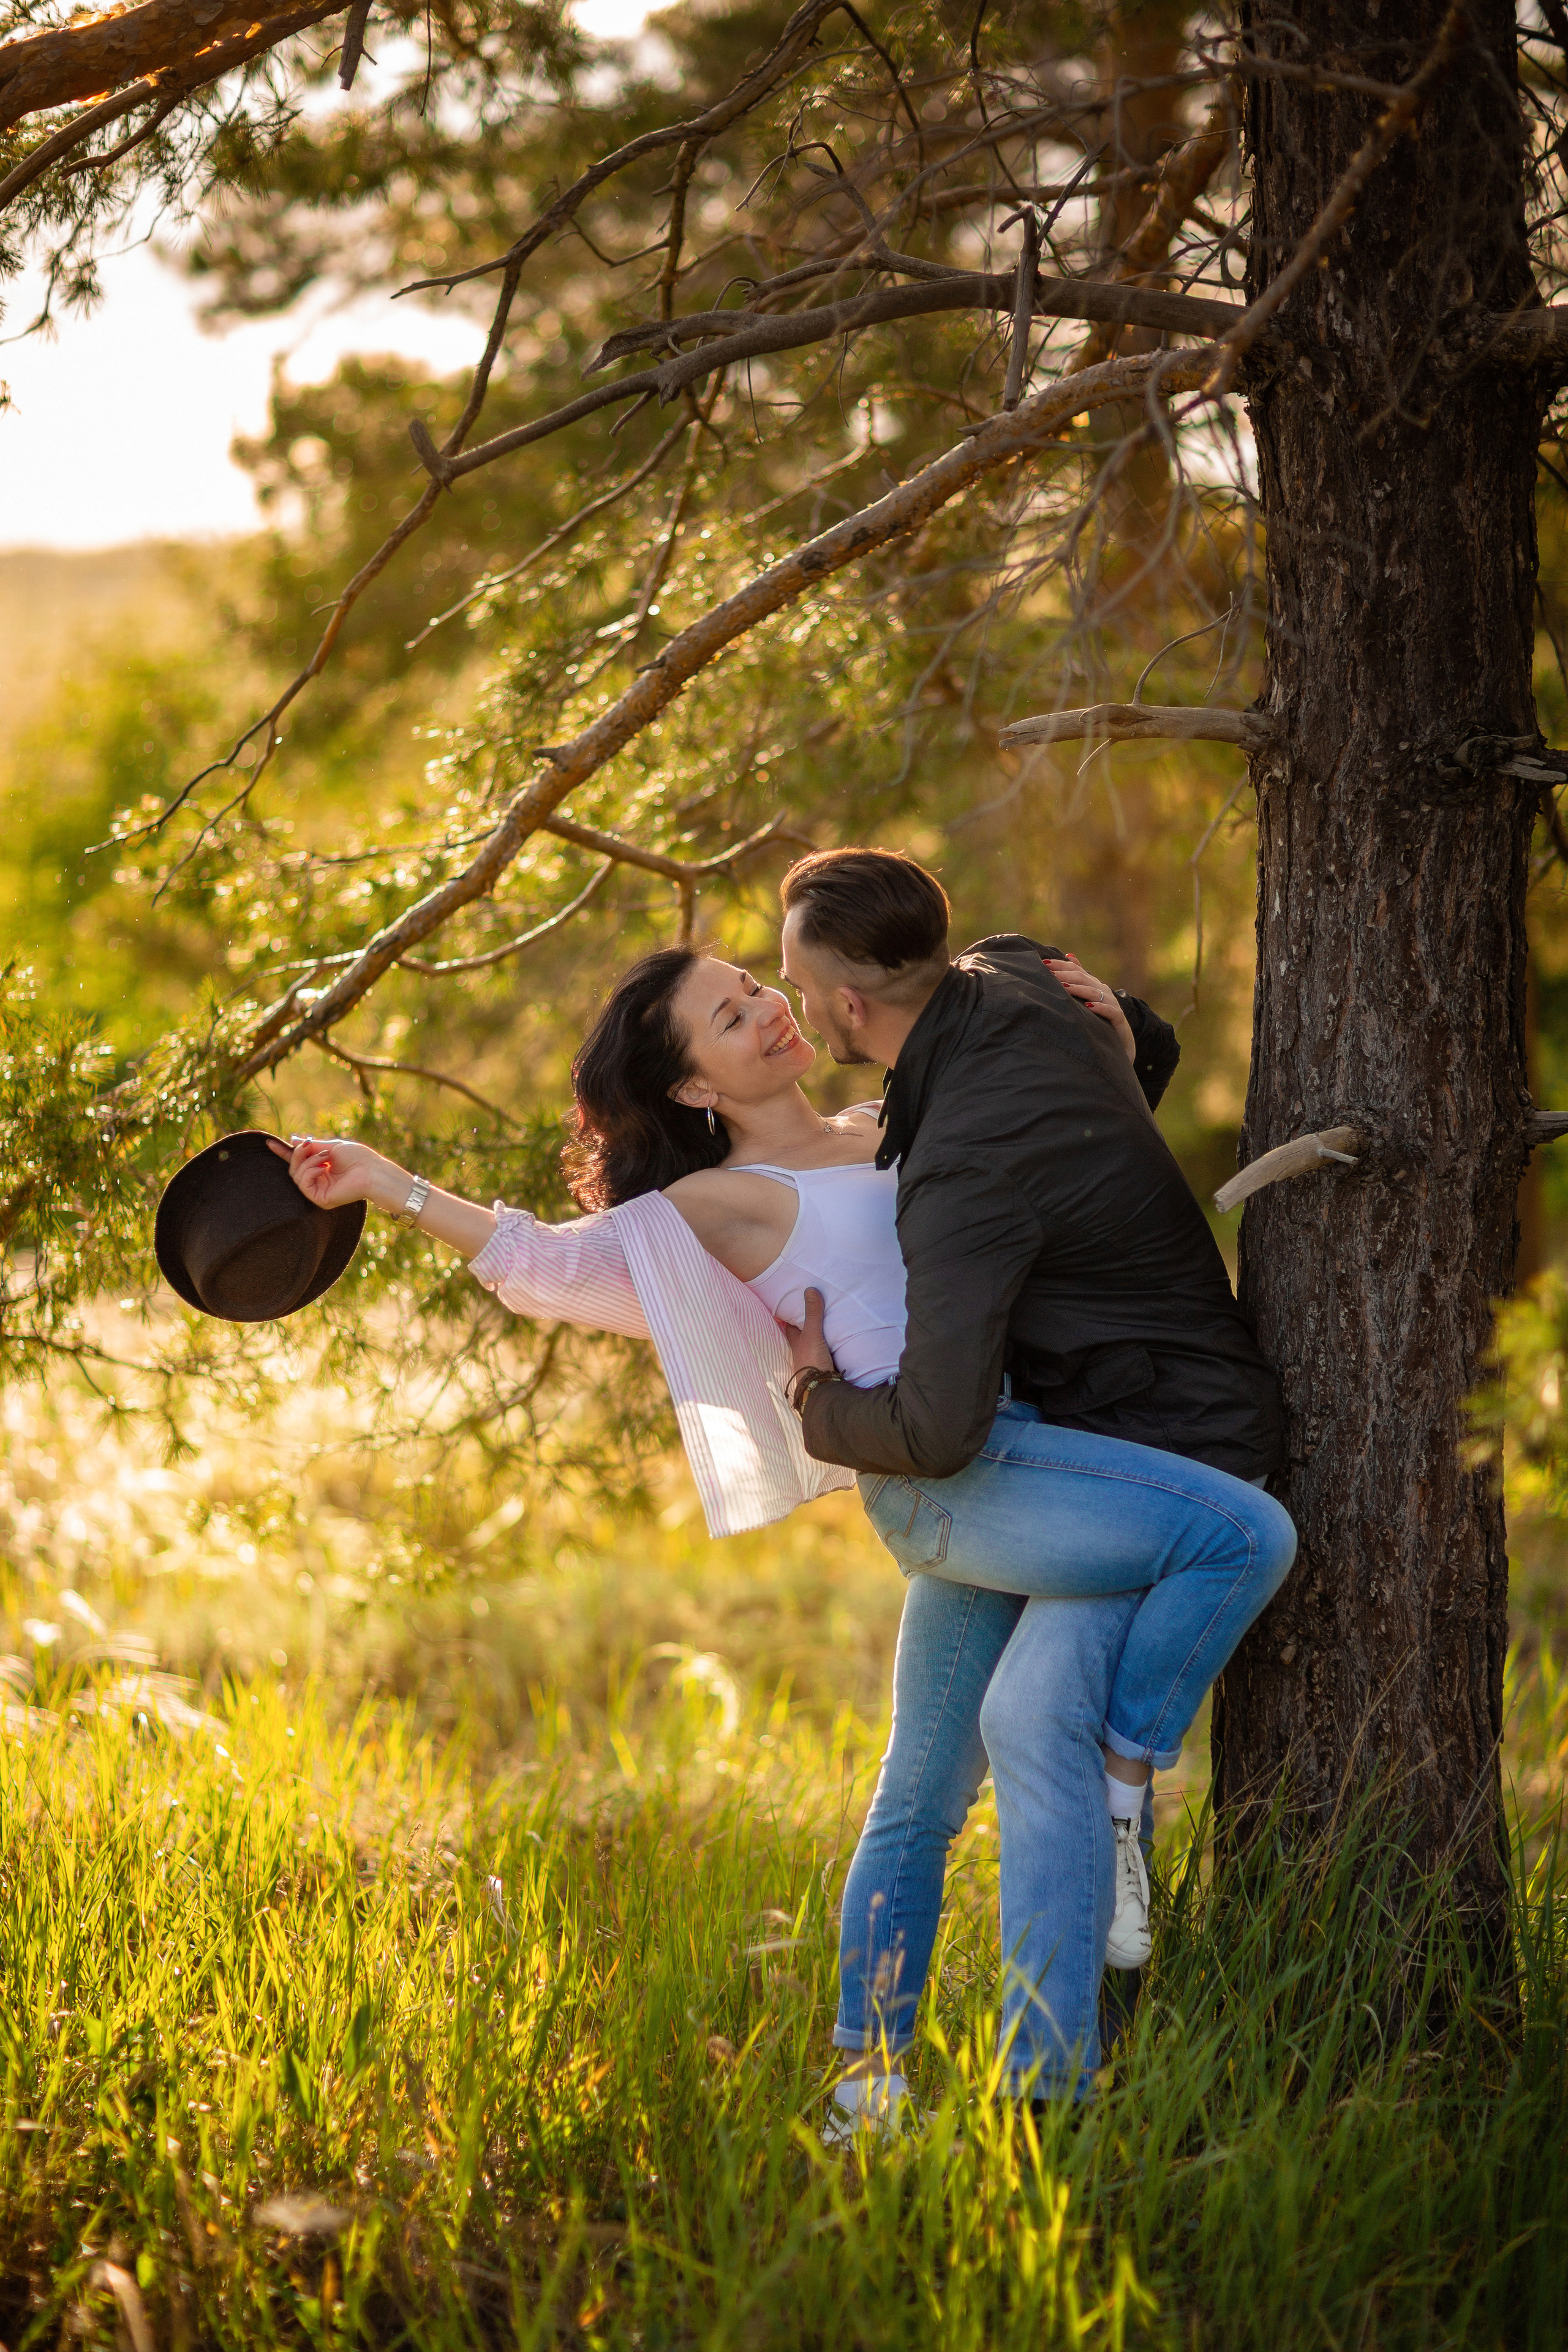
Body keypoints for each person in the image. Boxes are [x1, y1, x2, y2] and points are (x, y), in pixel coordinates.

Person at [273, 905, 1292, 2116]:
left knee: (924, 1794)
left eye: (756, 983)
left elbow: (1065, 1159)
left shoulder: (892, 1118)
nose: (764, 1006)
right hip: (946, 1489)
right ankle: (899, 2073)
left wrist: (1114, 1025)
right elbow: (544, 1265)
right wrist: (392, 1188)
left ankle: (972, 2086)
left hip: (1042, 1454)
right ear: (693, 1086)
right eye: (726, 1013)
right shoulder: (722, 1202)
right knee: (1211, 1558)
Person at [770, 847, 1294, 2122]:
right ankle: (886, 2073)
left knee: (1032, 1725)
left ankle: (1050, 2094)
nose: (781, 996)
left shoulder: (960, 1168)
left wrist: (811, 1402)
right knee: (947, 1751)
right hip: (1076, 1431)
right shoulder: (1009, 969)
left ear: (847, 1008)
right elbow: (1135, 1039)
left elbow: (935, 1427)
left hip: (1162, 1454)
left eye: (789, 978)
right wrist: (1139, 1043)